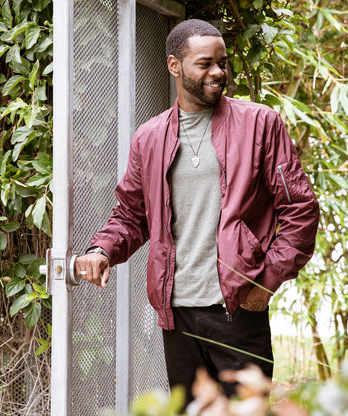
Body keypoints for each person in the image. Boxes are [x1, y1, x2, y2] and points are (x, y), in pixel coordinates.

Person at [75, 19, 319, 404]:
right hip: (178, 313)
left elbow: (300, 208)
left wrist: (267, 281)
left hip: (237, 308)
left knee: (248, 412)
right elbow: (131, 214)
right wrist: (102, 249)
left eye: (222, 62)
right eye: (205, 64)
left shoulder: (260, 124)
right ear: (175, 66)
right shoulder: (150, 137)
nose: (218, 72)